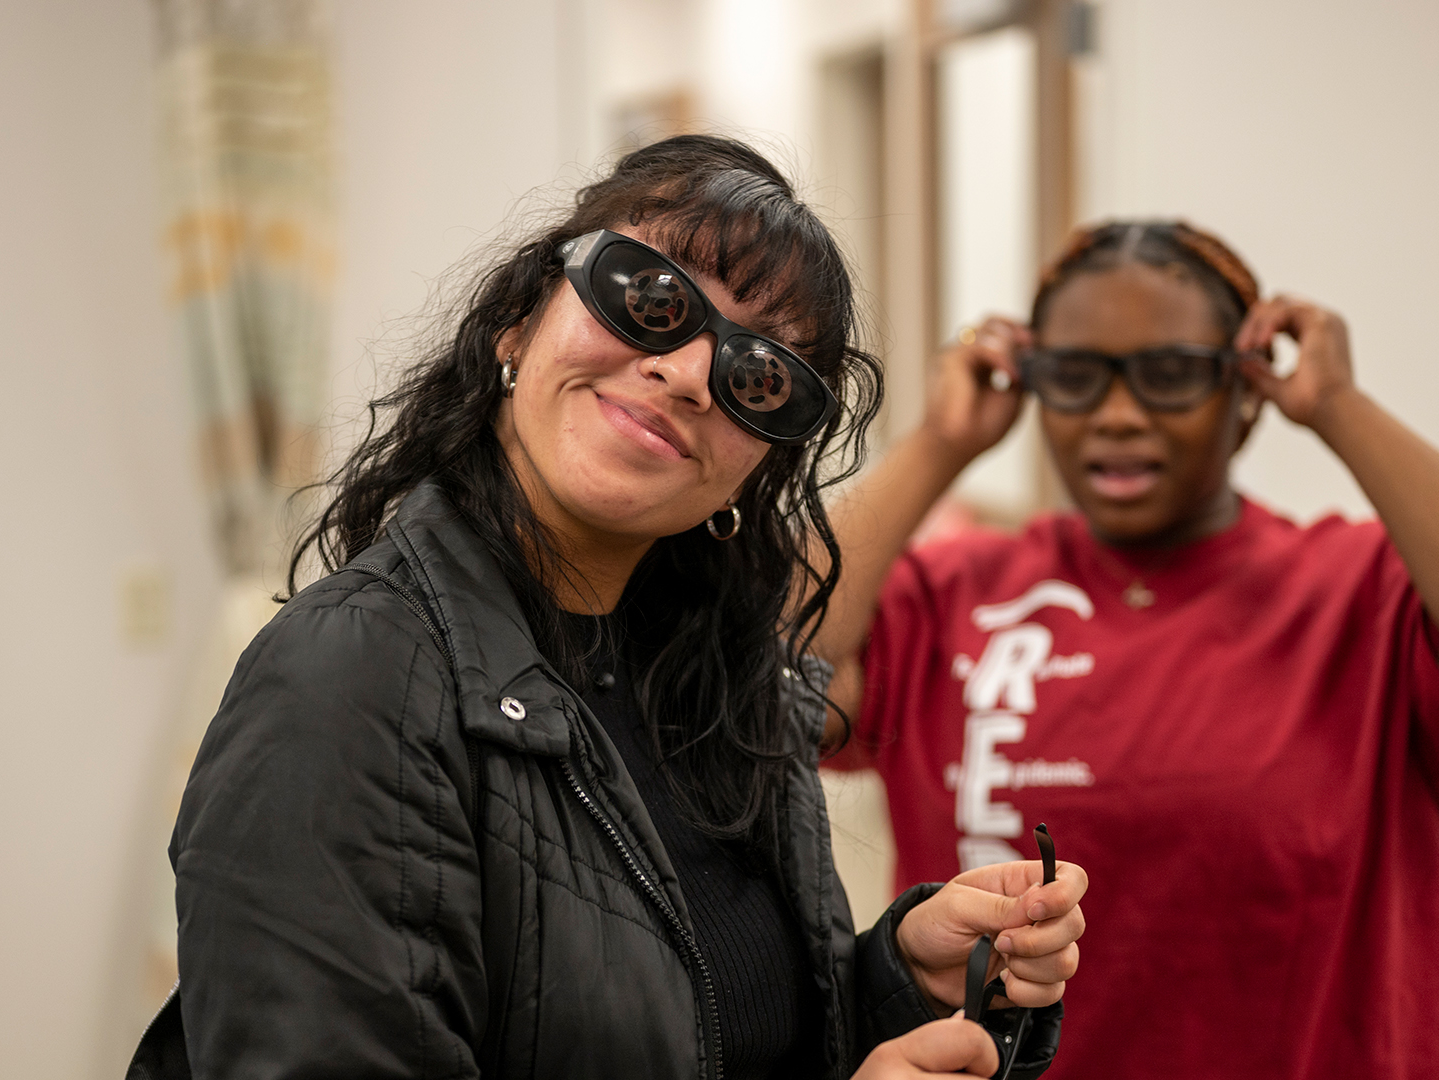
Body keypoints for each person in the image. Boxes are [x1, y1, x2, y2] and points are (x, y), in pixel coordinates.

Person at [124, 136, 1088, 1080]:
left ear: (757, 469)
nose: (686, 374)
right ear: (517, 319)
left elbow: (717, 1028)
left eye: (757, 376)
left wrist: (899, 979)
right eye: (650, 299)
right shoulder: (348, 678)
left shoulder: (716, 681)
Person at [815, 220, 1439, 1079]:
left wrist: (1338, 406)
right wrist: (940, 441)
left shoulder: (1356, 592)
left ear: (1248, 389)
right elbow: (764, 659)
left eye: (1170, 375)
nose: (1118, 416)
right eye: (1077, 378)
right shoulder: (957, 593)